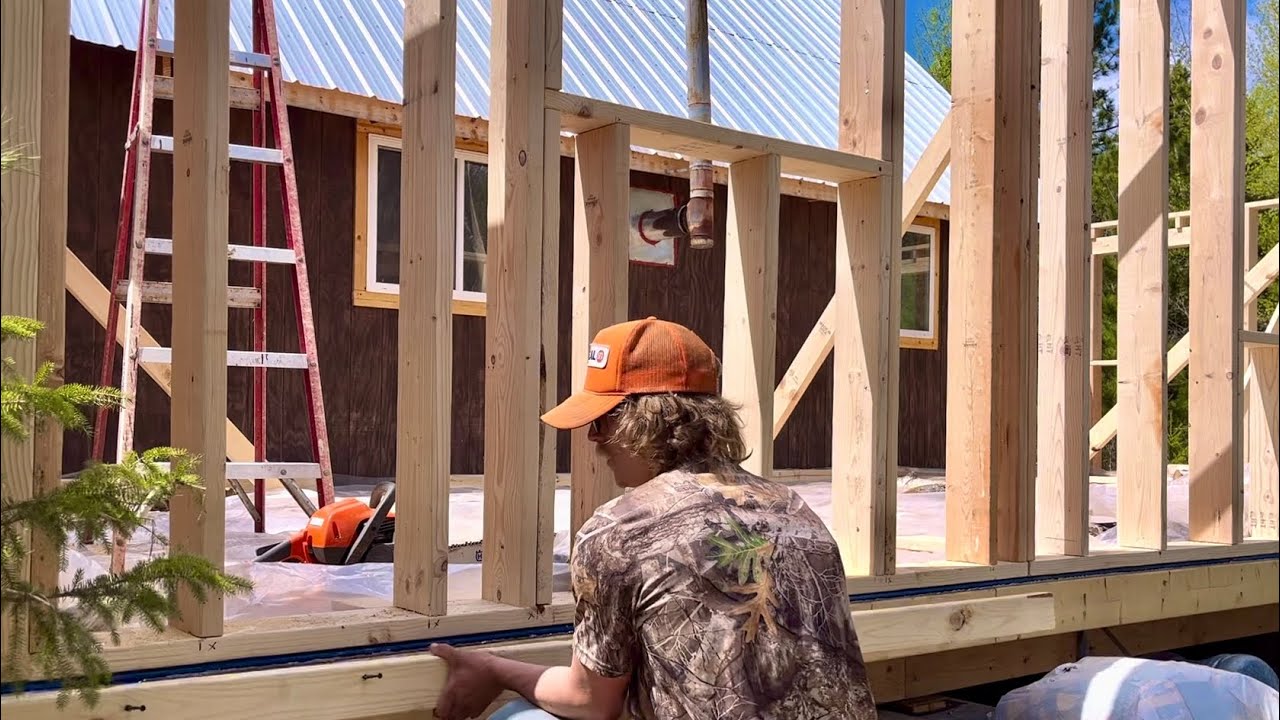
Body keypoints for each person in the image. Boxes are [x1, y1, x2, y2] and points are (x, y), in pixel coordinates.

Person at [429, 317, 878, 720]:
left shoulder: (619, 530)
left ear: (645, 420)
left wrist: (492, 668)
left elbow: (589, 701)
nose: (592, 437)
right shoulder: (794, 509)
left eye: (603, 419)